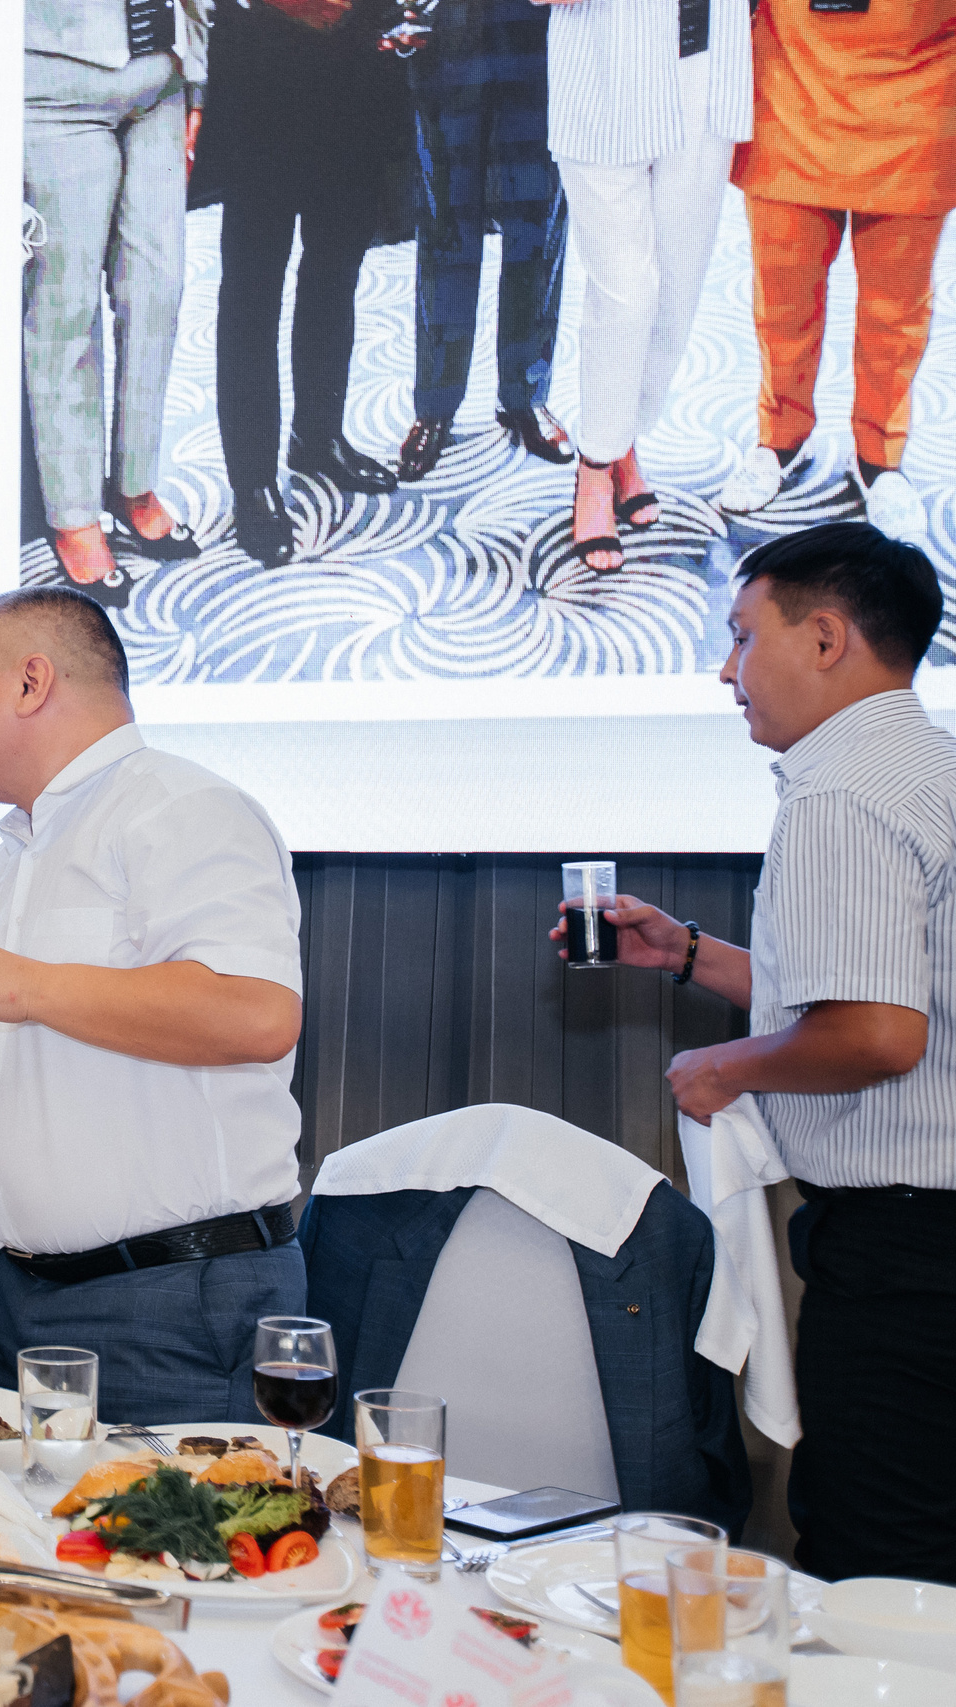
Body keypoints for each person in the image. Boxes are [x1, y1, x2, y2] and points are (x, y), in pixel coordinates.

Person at [563, 523, 949, 1583]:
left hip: (912, 1257)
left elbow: (874, 1033)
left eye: (740, 637)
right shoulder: (927, 769)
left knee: (882, 1566)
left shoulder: (840, 794)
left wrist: (723, 1069)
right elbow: (890, 994)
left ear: (825, 637)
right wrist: (686, 954)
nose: (725, 671)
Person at [0, 587, 307, 1417]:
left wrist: (23, 984)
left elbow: (257, 1012)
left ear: (31, 682)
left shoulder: (183, 809)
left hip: (169, 1299)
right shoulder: (4, 867)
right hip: (15, 1299)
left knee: (186, 1549)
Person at [712, 0, 953, 546]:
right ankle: (779, 438)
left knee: (897, 308)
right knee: (784, 293)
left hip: (918, 85)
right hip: (791, 78)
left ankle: (880, 457)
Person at [194, 0, 407, 565]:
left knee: (337, 264)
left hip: (357, 58)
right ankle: (253, 480)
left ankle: (318, 436)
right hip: (262, 60)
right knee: (253, 283)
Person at [540, 0, 752, 568]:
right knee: (624, 294)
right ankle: (594, 469)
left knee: (675, 291)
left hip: (706, 69)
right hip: (606, 75)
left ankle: (623, 440)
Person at [21, 0, 211, 588]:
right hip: (57, 79)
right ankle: (75, 514)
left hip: (163, 76)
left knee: (158, 288)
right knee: (66, 304)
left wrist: (197, 75)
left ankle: (135, 483)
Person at [394, 0, 577, 481]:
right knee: (446, 222)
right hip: (449, 26)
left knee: (536, 221)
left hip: (539, 27)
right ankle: (435, 404)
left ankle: (525, 395)